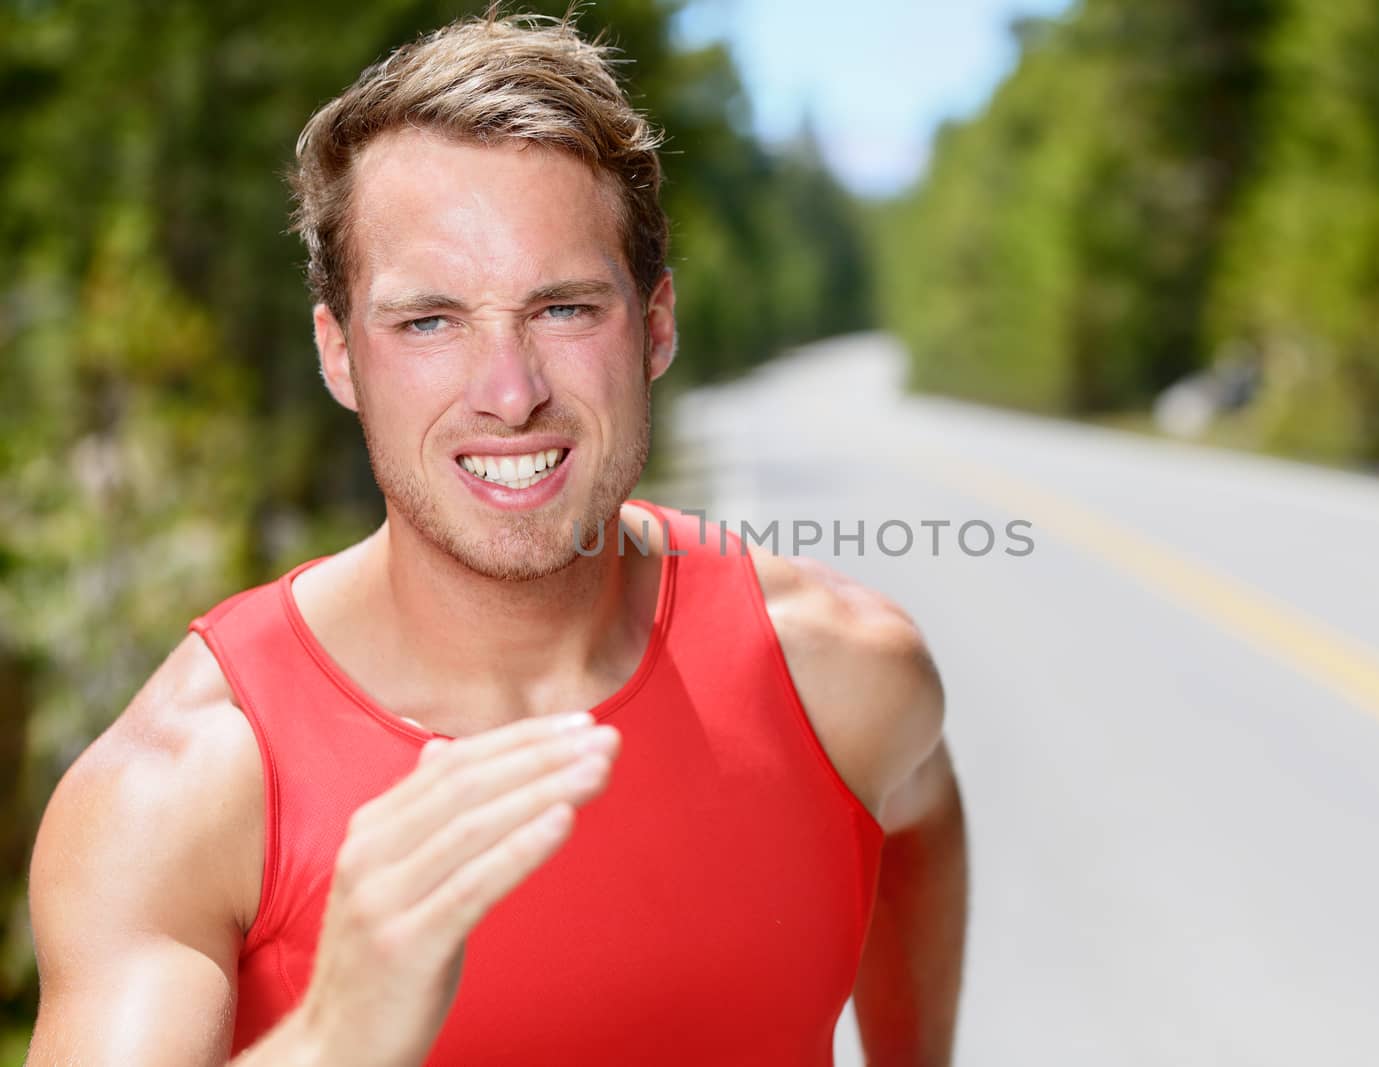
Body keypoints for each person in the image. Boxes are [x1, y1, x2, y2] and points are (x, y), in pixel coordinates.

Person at [25, 11, 967, 1066]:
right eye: (428, 320)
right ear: (339, 354)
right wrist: (335, 1037)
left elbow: (921, 808)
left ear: (655, 325)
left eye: (563, 308)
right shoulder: (184, 788)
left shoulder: (836, 670)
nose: (510, 393)